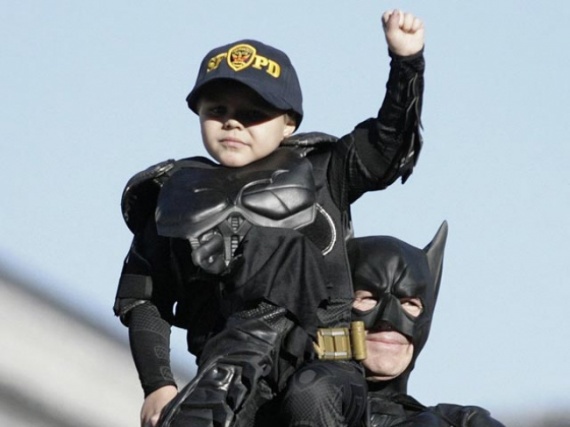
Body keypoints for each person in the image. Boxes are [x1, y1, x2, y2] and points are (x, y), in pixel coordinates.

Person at [113, 9, 425, 427]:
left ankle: (231, 370)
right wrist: (158, 384)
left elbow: (388, 143)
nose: (233, 122)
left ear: (288, 124)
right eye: (217, 109)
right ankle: (225, 381)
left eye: (253, 113)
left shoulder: (325, 170)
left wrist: (406, 62)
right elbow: (144, 298)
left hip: (326, 371)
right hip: (228, 395)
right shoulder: (173, 198)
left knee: (310, 390)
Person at [349, 222, 505, 426]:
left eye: (409, 303)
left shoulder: (459, 424)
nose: (387, 320)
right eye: (368, 298)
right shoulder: (309, 405)